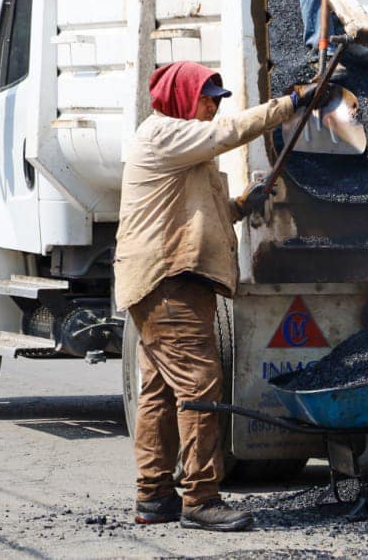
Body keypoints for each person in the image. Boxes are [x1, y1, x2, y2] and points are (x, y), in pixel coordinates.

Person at [115, 61, 323, 531]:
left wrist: (238, 206)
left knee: (158, 393)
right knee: (200, 386)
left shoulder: (181, 147)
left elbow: (190, 214)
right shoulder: (164, 133)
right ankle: (201, 499)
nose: (213, 107)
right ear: (183, 97)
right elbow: (230, 133)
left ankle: (154, 497)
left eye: (218, 99)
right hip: (170, 281)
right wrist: (291, 104)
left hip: (162, 280)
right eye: (208, 98)